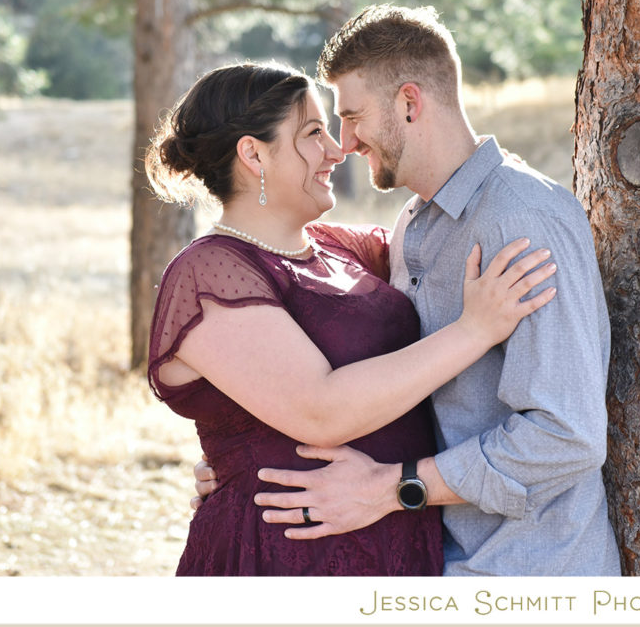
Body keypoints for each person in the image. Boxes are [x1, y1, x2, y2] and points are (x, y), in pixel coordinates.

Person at [195, 5, 622, 576]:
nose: (345, 143)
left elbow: (567, 435)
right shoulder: (413, 226)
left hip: (529, 571)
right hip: (437, 564)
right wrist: (241, 455)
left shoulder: (523, 220)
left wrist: (400, 488)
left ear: (410, 103)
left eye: (352, 117)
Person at [145, 61, 557, 576]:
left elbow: (456, 220)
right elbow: (321, 412)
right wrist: (473, 332)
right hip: (283, 555)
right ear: (253, 154)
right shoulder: (208, 272)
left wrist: (514, 189)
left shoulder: (341, 248)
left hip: (398, 541)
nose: (337, 151)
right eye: (314, 133)